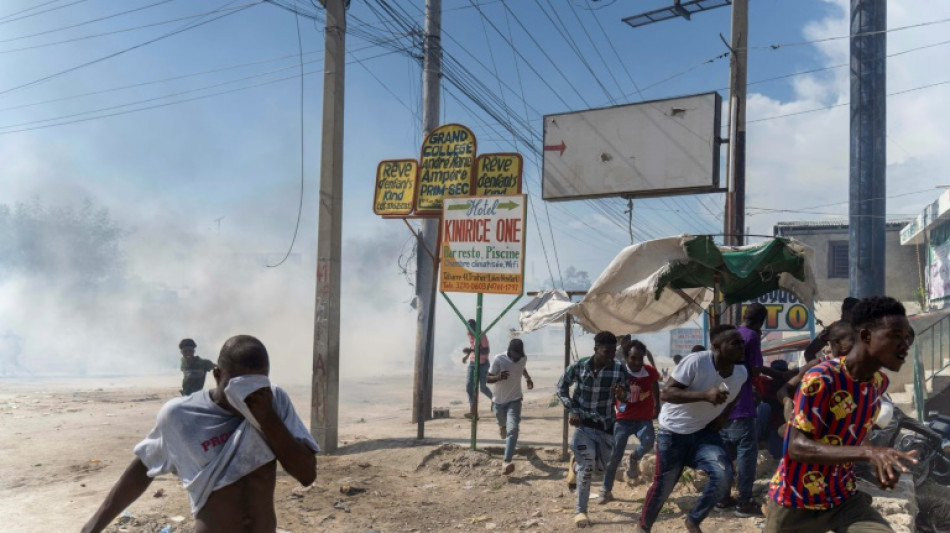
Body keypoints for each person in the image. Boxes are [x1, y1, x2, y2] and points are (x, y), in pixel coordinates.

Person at [82, 335, 318, 533]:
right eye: (239, 386)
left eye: (257, 384)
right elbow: (143, 467)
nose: (248, 395)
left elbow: (307, 475)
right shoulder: (181, 415)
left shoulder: (274, 402)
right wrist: (92, 527)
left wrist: (267, 418)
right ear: (217, 375)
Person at [765, 297, 918, 533]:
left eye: (907, 340)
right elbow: (796, 447)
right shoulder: (821, 378)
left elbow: (856, 431)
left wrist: (877, 457)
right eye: (895, 338)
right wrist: (867, 453)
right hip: (796, 501)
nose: (903, 347)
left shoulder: (878, 382)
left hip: (842, 498)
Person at [636, 325, 748, 533]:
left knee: (724, 474)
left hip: (704, 433)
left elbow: (735, 395)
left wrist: (724, 415)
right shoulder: (696, 362)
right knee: (663, 487)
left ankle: (693, 520)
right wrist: (704, 395)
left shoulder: (741, 373)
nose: (742, 346)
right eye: (735, 343)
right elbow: (667, 393)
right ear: (716, 347)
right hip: (673, 432)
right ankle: (644, 527)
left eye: (742, 342)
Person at [556, 331, 628, 528]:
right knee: (587, 469)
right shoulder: (579, 366)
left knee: (600, 469)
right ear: (596, 349)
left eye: (613, 351)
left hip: (606, 427)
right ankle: (581, 512)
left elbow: (627, 396)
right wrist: (572, 409)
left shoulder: (619, 369)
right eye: (606, 352)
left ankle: (575, 464)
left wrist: (622, 395)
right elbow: (561, 388)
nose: (610, 356)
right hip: (584, 425)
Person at [718, 303, 767, 517]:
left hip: (722, 407)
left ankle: (723, 498)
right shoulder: (752, 336)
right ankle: (744, 502)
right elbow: (755, 371)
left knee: (725, 457)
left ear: (745, 315)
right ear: (761, 322)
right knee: (746, 457)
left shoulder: (730, 334)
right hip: (742, 406)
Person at [599, 339, 660, 502]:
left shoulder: (649, 371)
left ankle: (633, 458)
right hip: (623, 419)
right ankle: (605, 489)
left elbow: (655, 384)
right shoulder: (619, 372)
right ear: (626, 357)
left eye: (640, 358)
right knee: (615, 455)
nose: (637, 362)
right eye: (633, 358)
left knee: (648, 442)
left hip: (643, 418)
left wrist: (657, 404)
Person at [486, 338, 533, 476]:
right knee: (503, 424)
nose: (517, 358)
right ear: (510, 351)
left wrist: (528, 378)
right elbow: (487, 378)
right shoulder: (499, 359)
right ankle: (502, 426)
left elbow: (522, 367)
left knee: (513, 430)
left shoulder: (523, 358)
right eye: (515, 355)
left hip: (515, 400)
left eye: (519, 355)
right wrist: (498, 377)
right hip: (498, 401)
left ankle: (506, 462)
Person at [803, 297, 859, 361]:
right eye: (856, 312)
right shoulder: (832, 329)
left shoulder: (860, 328)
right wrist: (820, 366)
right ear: (847, 312)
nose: (859, 315)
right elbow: (809, 353)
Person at [462, 318, 492, 419]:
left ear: (476, 327)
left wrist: (471, 350)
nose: (469, 330)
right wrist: (467, 356)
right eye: (468, 328)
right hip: (472, 362)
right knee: (469, 387)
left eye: (471, 328)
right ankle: (473, 411)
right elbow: (473, 346)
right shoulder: (469, 333)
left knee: (482, 388)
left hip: (483, 364)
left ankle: (495, 400)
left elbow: (486, 351)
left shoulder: (481, 335)